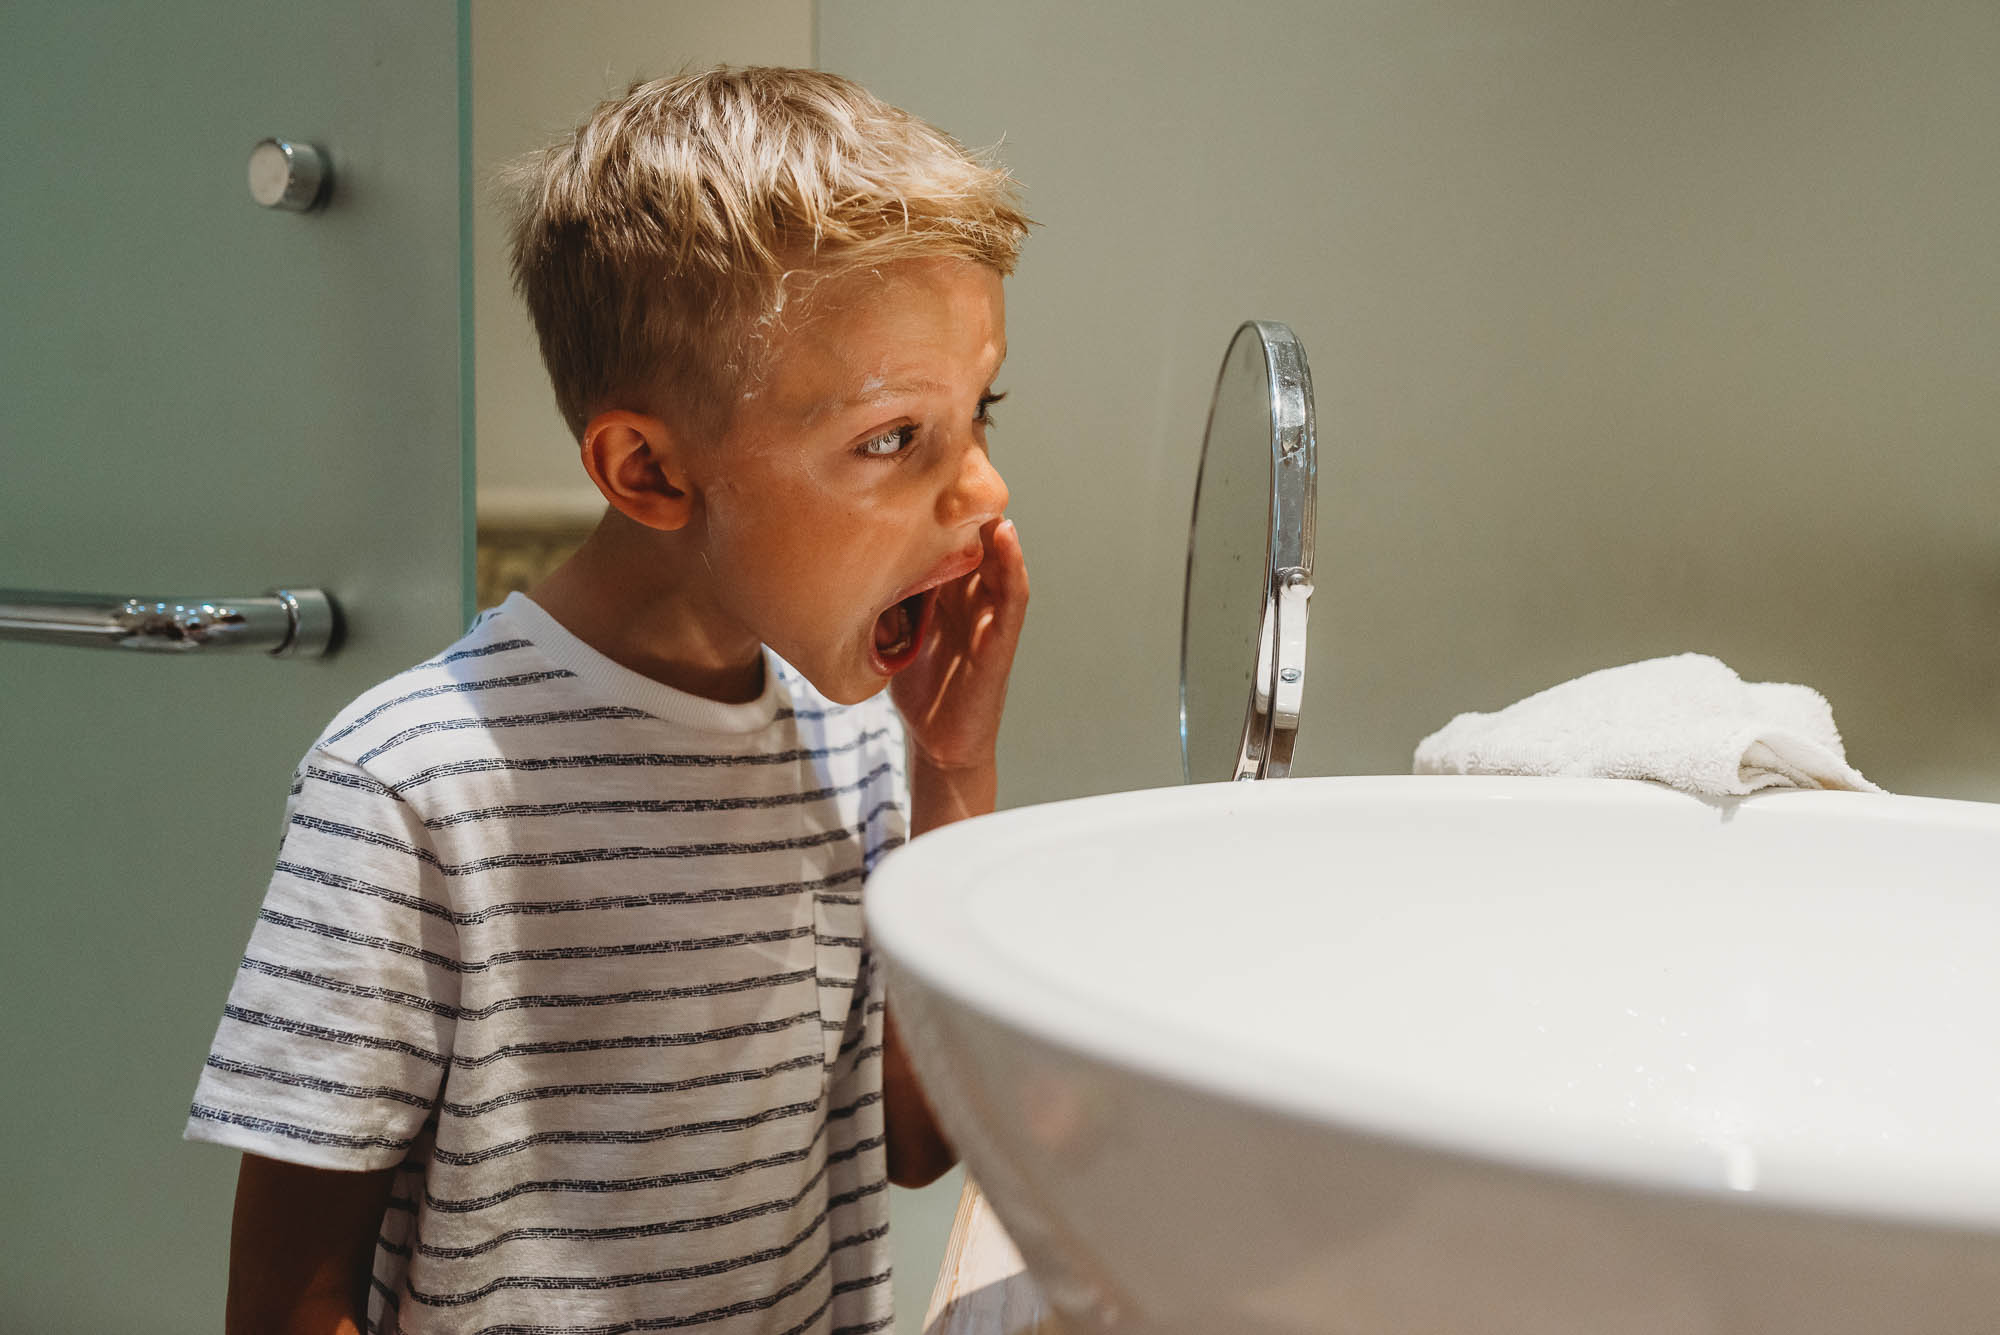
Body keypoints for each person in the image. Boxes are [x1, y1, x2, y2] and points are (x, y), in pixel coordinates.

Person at [186, 66, 1031, 1335]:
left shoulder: (857, 739)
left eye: (977, 412)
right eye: (888, 438)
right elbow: (288, 1298)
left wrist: (952, 769)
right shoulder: (415, 785)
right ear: (647, 470)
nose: (981, 490)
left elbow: (918, 1139)